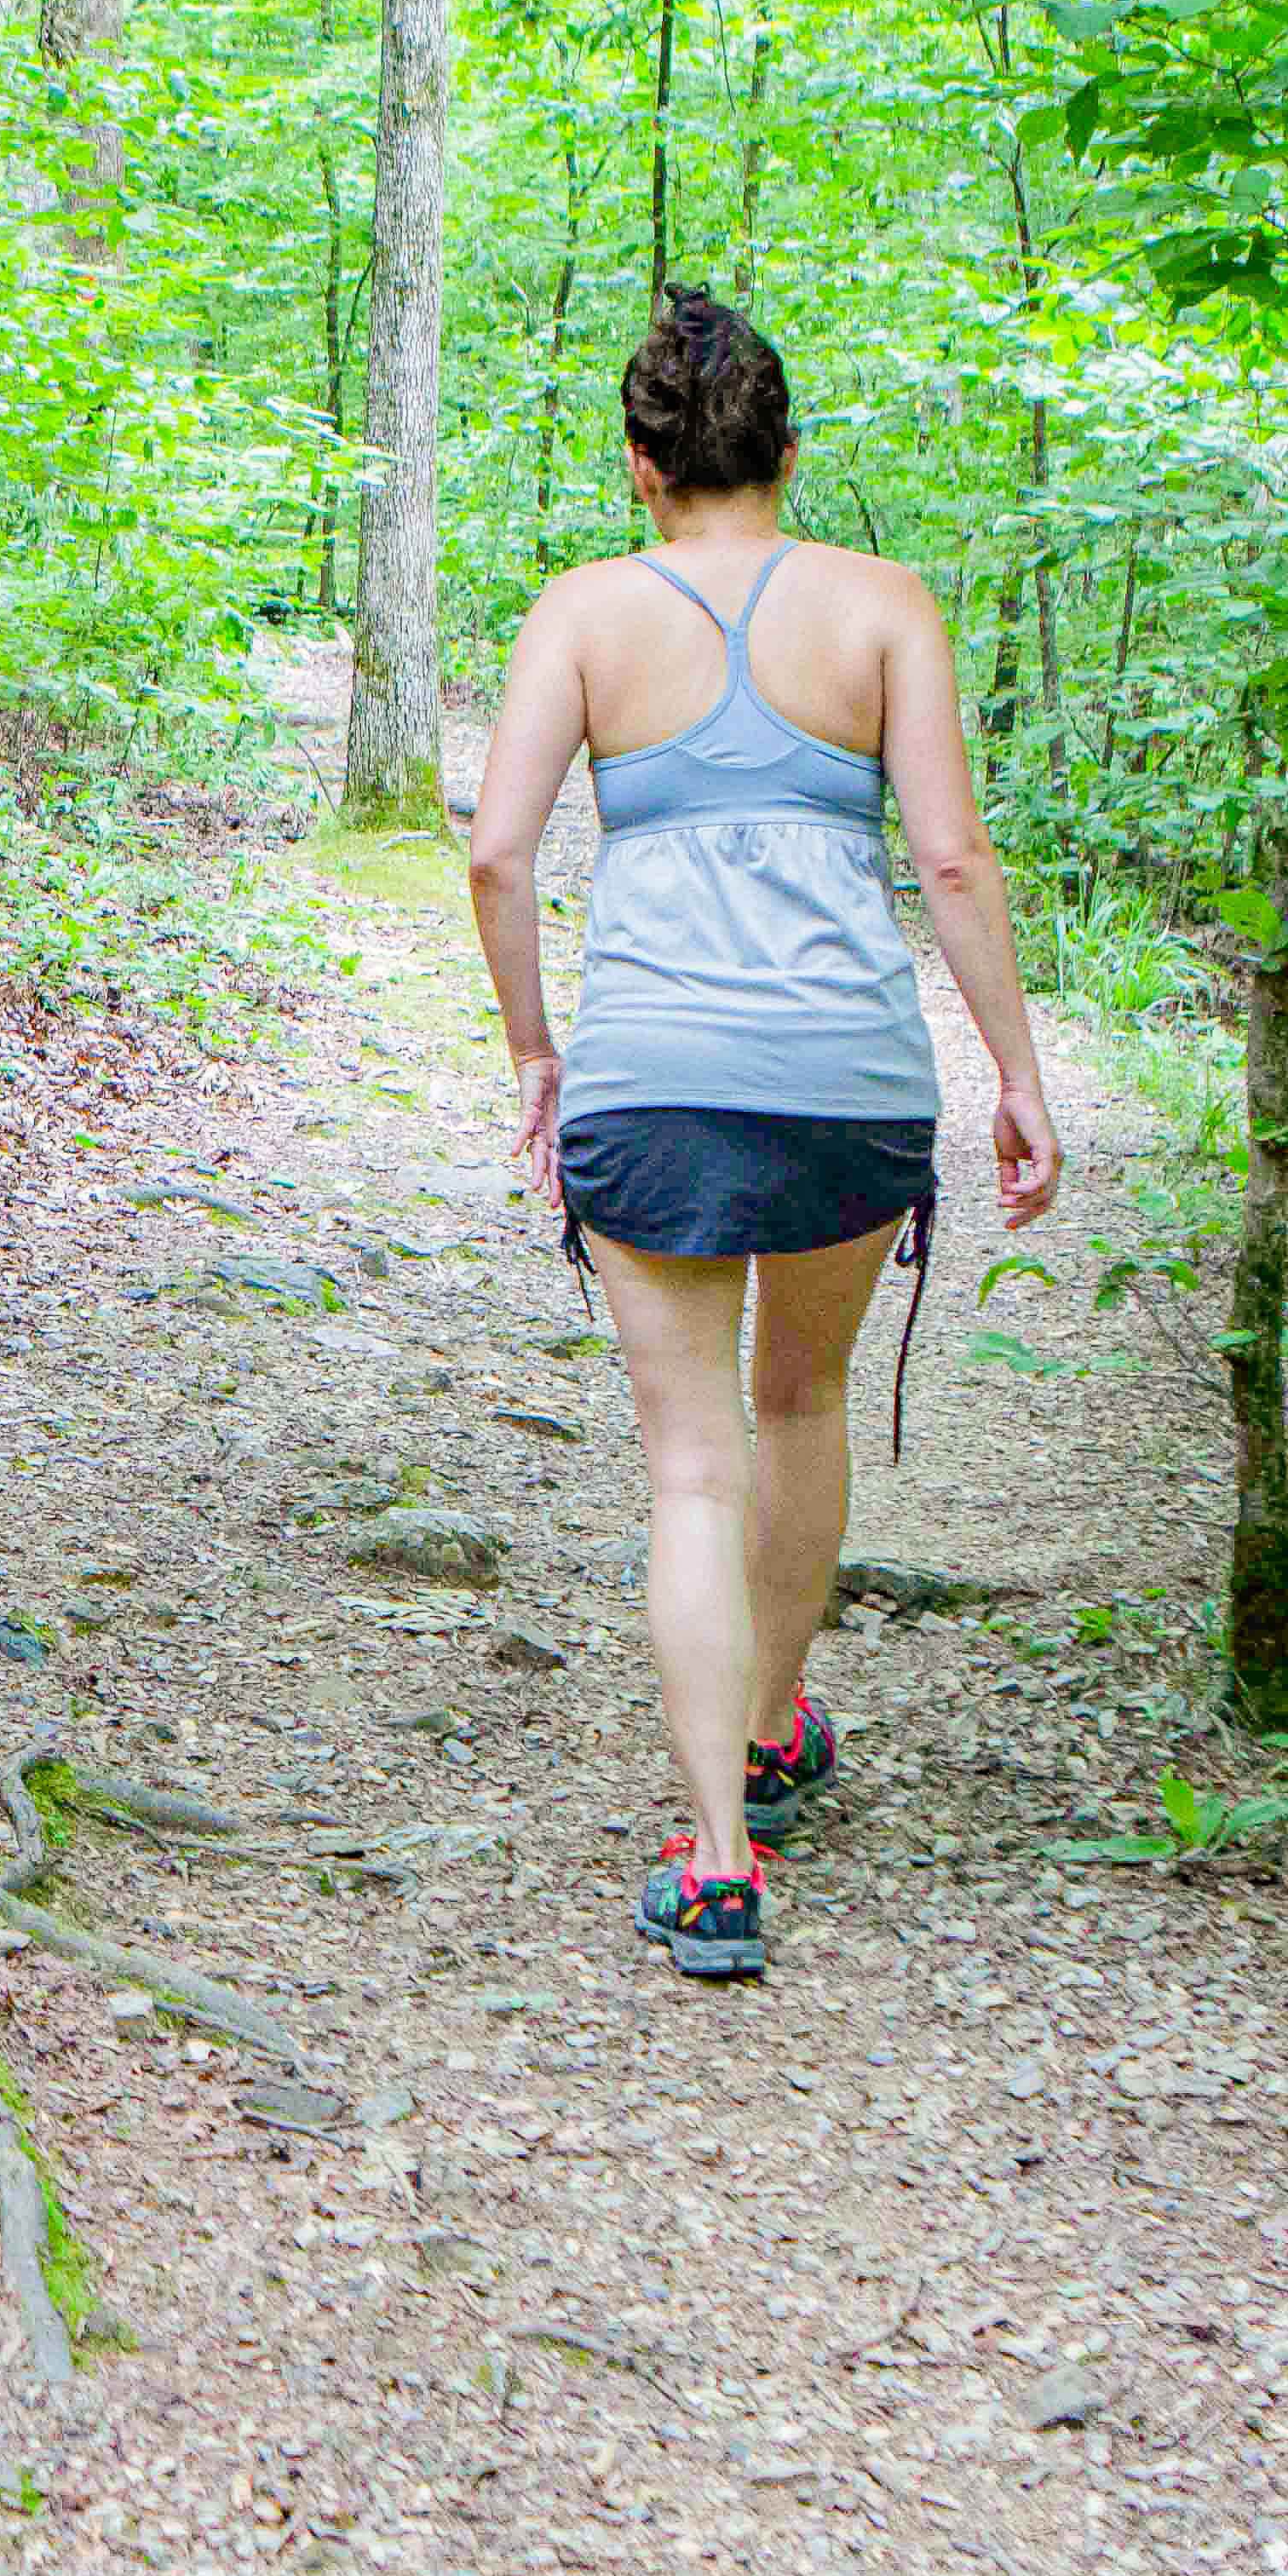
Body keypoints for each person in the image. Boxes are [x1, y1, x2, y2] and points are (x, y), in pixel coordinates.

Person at [467, 285, 1062, 1982]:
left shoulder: (583, 614)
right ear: (787, 455)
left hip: (651, 1077)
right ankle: (775, 1717)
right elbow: (950, 860)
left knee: (687, 1461)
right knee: (801, 1406)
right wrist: (1018, 1075)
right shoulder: (883, 608)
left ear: (642, 468)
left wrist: (535, 1047)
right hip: (850, 1083)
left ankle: (718, 1859)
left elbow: (499, 855)